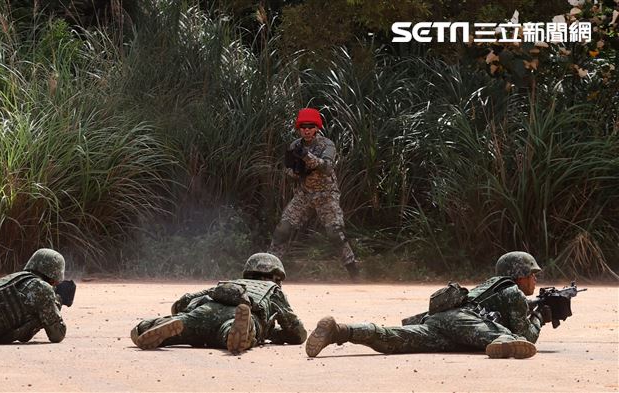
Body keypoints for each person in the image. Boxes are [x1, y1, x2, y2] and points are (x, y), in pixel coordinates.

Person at [305, 251, 546, 359]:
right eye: (533, 274)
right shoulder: (512, 291)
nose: (535, 280)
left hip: (441, 322)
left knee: (393, 339)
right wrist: (540, 316)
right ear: (520, 275)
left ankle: (340, 331)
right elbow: (526, 336)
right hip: (463, 320)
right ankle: (502, 343)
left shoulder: (490, 286)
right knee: (511, 338)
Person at [130, 253, 307, 354]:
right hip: (240, 314)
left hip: (207, 309)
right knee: (236, 329)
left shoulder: (232, 284)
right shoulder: (273, 290)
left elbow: (183, 302)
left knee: (186, 325)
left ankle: (145, 327)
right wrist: (275, 334)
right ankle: (238, 331)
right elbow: (296, 333)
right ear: (276, 277)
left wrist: (183, 311)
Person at [270, 107, 359, 279]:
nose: (307, 130)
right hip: (304, 194)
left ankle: (353, 271)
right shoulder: (294, 146)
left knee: (335, 233)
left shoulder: (326, 144)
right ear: (299, 128)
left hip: (326, 194)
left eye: (310, 126)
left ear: (317, 128)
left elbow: (327, 167)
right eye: (303, 127)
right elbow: (287, 170)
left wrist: (307, 157)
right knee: (283, 229)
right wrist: (296, 172)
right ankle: (269, 269)